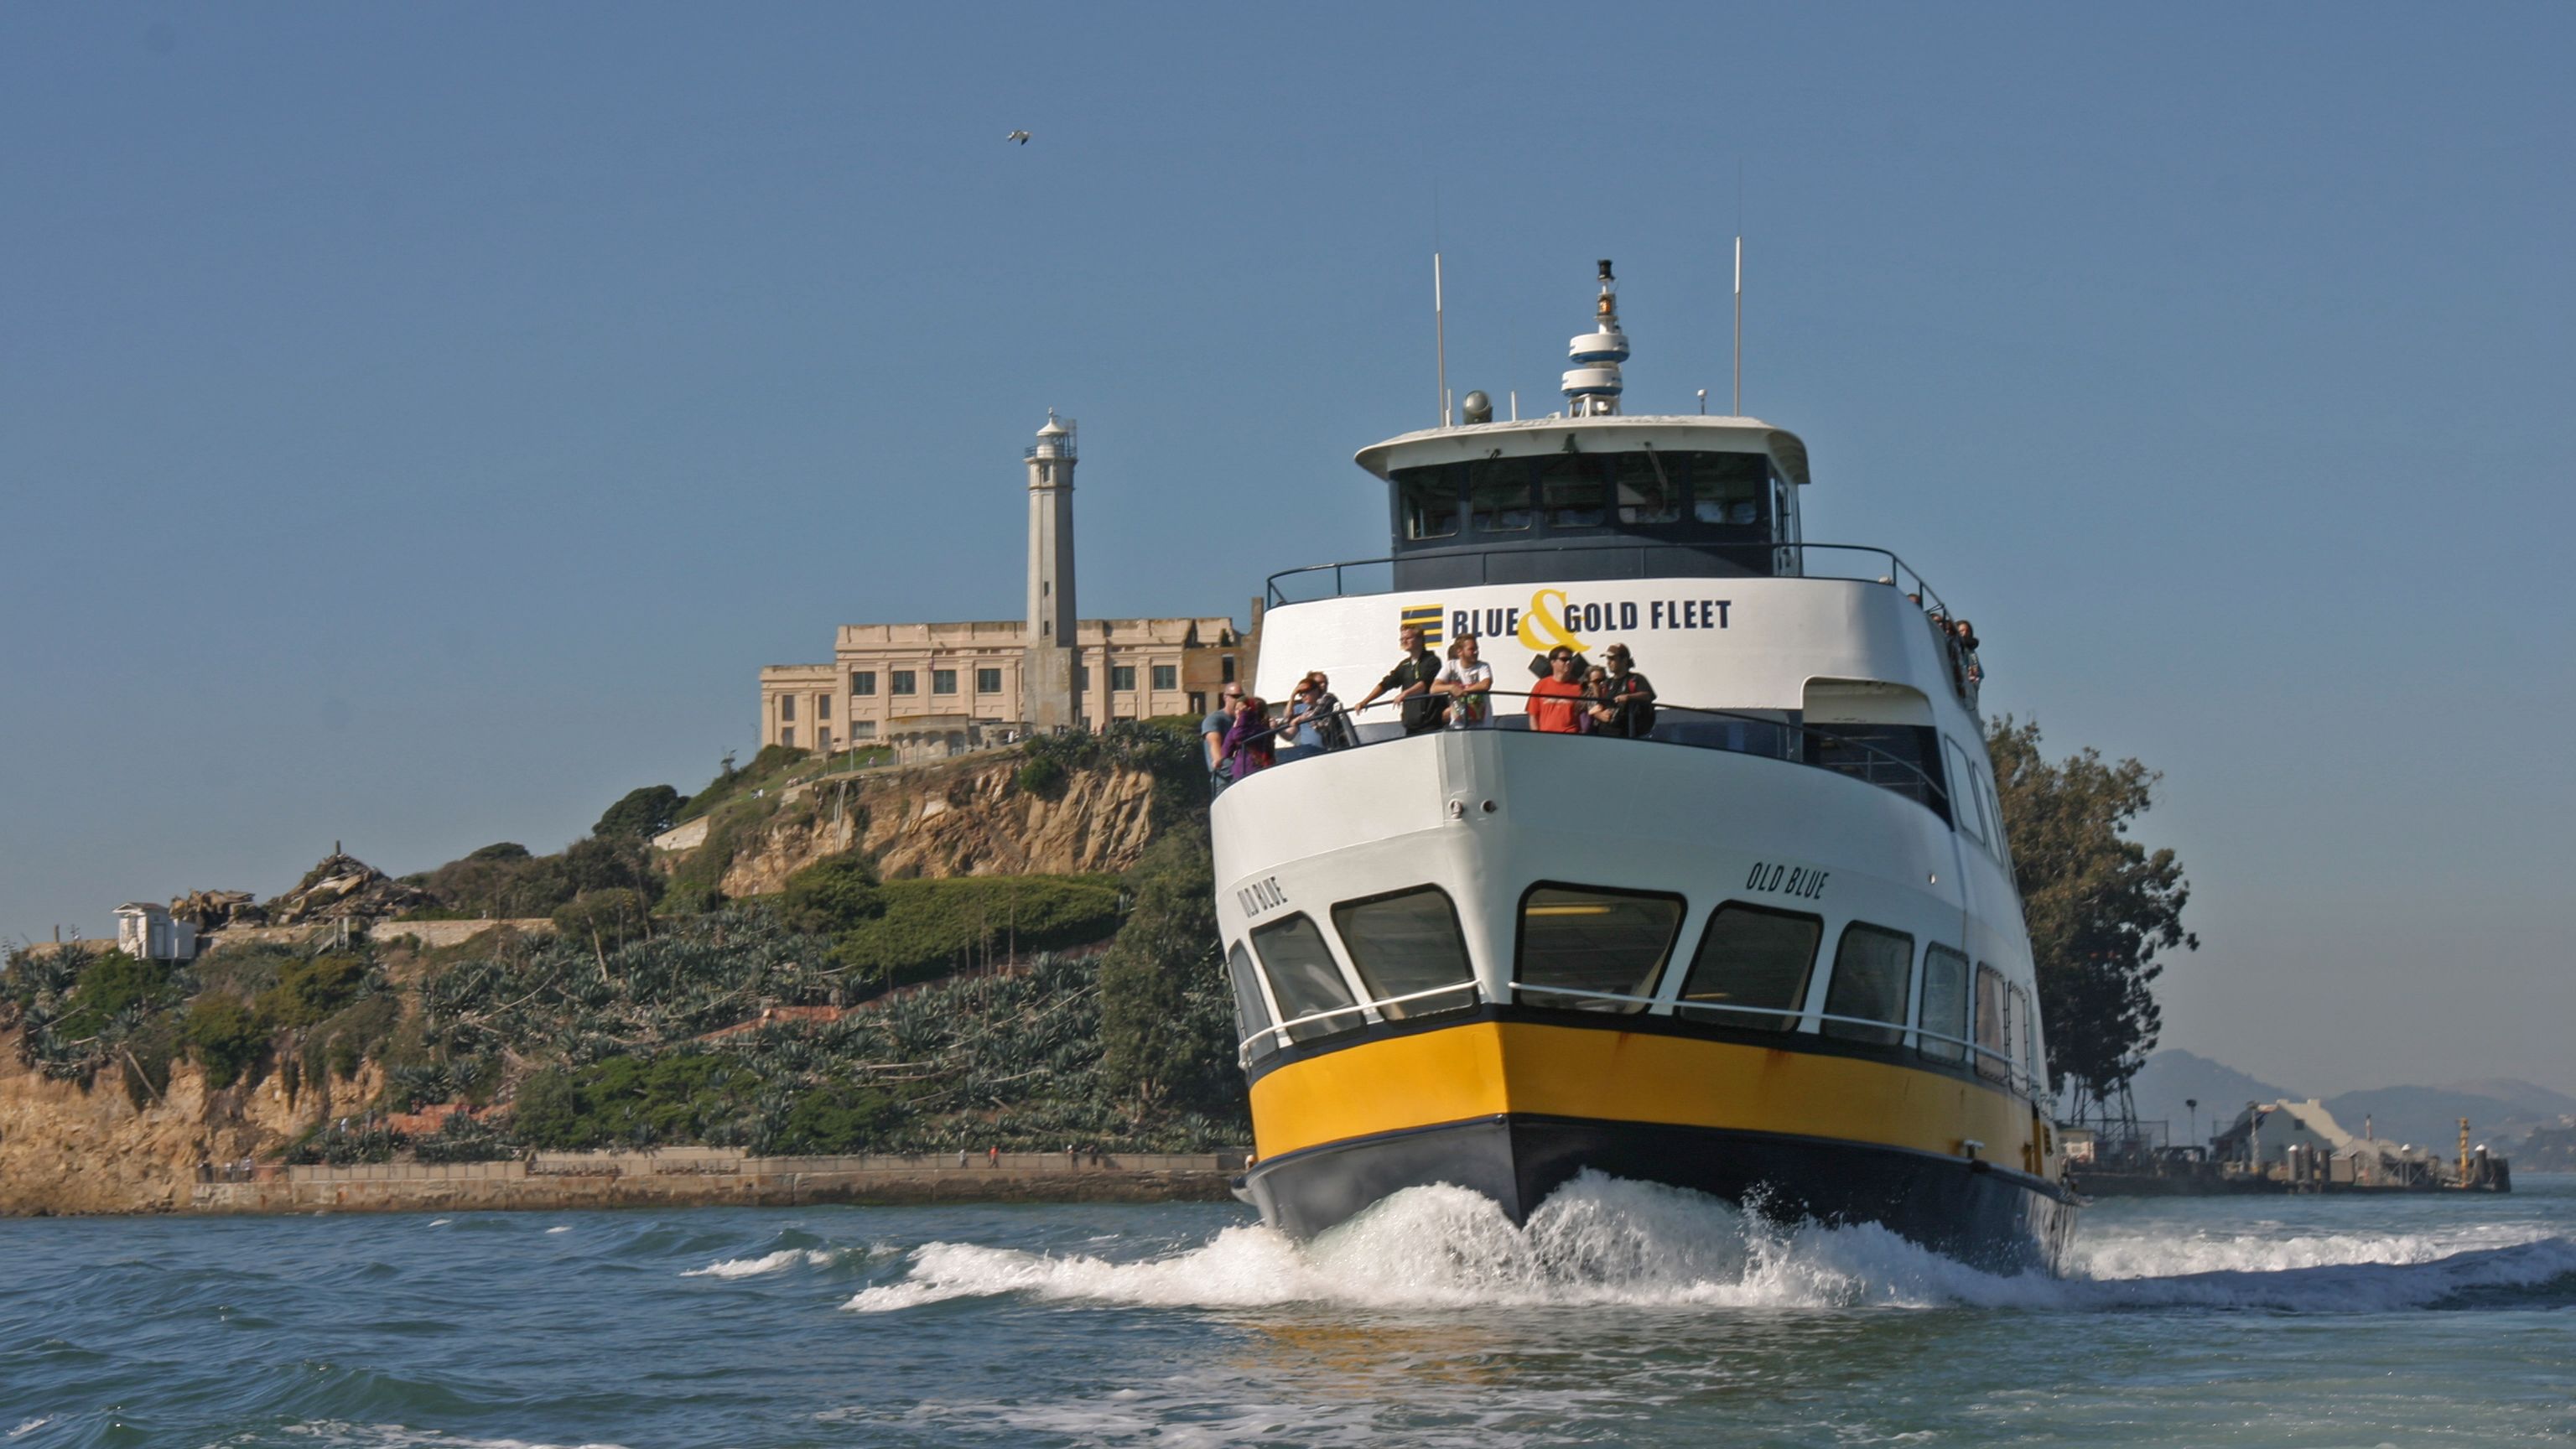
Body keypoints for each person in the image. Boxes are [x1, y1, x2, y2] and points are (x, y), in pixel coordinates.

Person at [1353, 624, 1446, 735]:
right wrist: (1365, 701)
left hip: (1430, 725)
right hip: (1411, 726)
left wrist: (1405, 694)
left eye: (1408, 638)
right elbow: (1386, 684)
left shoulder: (1432, 661)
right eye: (1402, 639)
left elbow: (1425, 684)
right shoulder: (1405, 665)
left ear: (1420, 639)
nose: (1404, 641)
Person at [1590, 643, 1657, 738]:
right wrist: (1599, 715)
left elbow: (1648, 695)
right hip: (1605, 736)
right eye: (1608, 659)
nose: (1608, 662)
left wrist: (1628, 697)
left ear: (1624, 660)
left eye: (1612, 659)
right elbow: (1596, 706)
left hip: (1629, 736)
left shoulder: (1636, 679)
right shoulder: (1606, 683)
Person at [1434, 634, 1493, 727]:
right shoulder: (1451, 666)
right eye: (1471, 649)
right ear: (1460, 652)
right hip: (1458, 725)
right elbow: (1434, 688)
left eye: (1476, 649)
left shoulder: (1483, 666)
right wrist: (1451, 688)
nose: (1476, 652)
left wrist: (1464, 691)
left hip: (1483, 726)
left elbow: (1485, 684)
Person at [1287, 672, 1354, 751]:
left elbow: (1316, 714)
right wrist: (1293, 695)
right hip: (1329, 749)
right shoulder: (1310, 708)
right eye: (1319, 683)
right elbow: (1288, 717)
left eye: (1325, 683)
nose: (1323, 685)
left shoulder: (1329, 698)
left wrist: (1297, 720)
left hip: (1342, 747)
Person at [1526, 646, 1587, 733]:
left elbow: (1584, 717)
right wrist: (1537, 736)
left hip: (1571, 737)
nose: (1568, 662)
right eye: (1564, 659)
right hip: (1547, 737)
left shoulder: (1579, 687)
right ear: (1553, 662)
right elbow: (1533, 715)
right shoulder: (1541, 685)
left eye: (1570, 659)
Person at [1200, 683, 1243, 792]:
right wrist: (1217, 758)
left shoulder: (1245, 720)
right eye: (1235, 696)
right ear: (1225, 697)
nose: (1239, 700)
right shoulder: (1214, 719)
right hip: (1224, 779)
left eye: (1241, 696)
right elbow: (1214, 743)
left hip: (1244, 773)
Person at [1224, 693, 1276, 778]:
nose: (1238, 712)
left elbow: (1239, 735)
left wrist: (1243, 716)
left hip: (1254, 772)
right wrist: (1234, 727)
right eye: (1236, 709)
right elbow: (1226, 752)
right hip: (1239, 774)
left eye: (1241, 710)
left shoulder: (1260, 729)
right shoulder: (1239, 728)